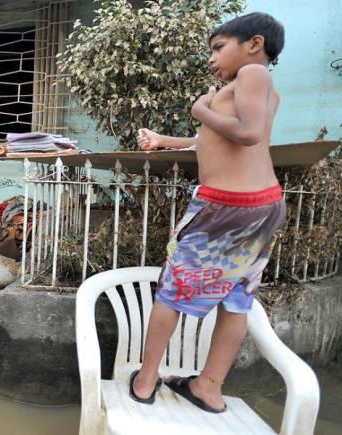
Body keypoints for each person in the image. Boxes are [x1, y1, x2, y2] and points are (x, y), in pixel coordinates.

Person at [129, 12, 286, 413]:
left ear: (253, 43)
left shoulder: (253, 75)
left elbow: (248, 135)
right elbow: (217, 139)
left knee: (172, 290)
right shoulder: (253, 86)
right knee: (237, 296)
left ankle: (146, 381)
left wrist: (200, 109)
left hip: (225, 206)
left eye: (218, 47)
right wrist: (164, 140)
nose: (212, 58)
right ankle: (208, 387)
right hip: (261, 205)